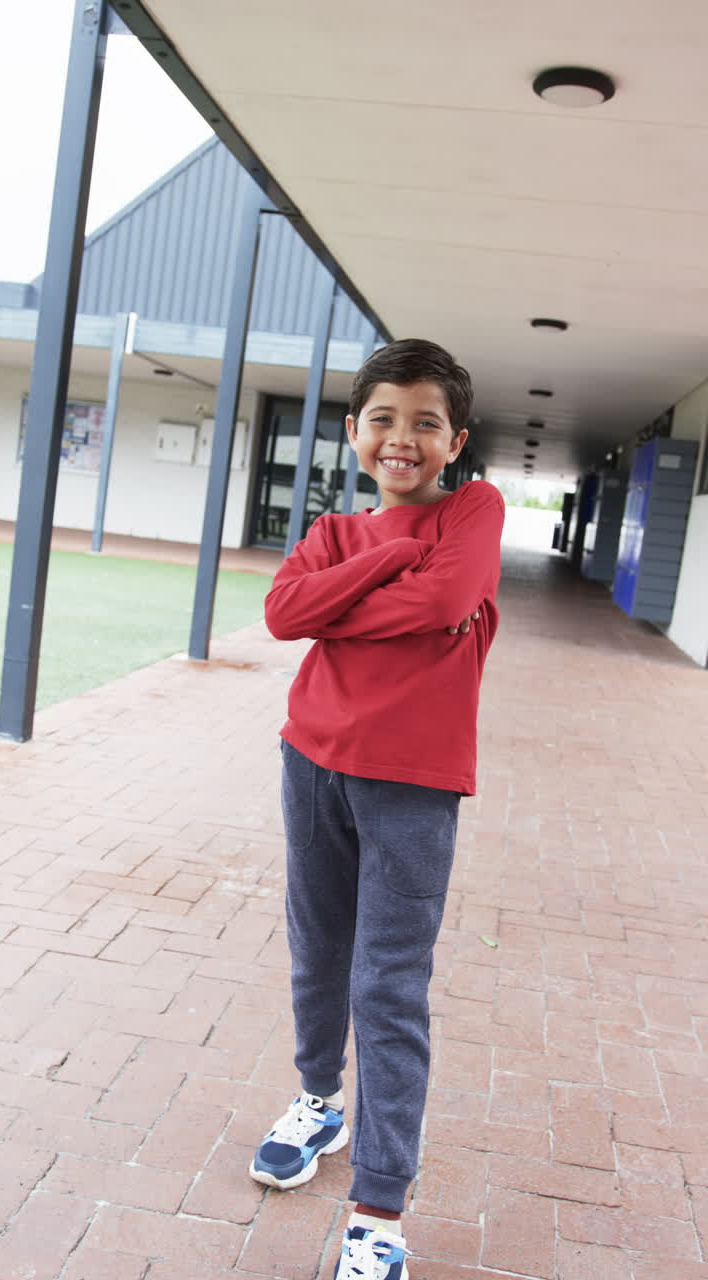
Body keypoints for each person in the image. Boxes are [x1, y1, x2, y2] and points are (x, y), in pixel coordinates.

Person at [250, 338, 504, 1280]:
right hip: (310, 761)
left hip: (413, 785)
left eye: (426, 423)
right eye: (384, 420)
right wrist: (389, 560)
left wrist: (338, 605)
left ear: (455, 441)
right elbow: (284, 615)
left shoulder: (474, 509)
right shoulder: (332, 530)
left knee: (387, 987)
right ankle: (319, 1103)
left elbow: (445, 602)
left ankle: (379, 1212)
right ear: (355, 431)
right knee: (317, 951)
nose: (403, 438)